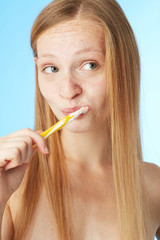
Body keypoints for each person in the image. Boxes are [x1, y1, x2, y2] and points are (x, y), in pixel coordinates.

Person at [0, 0, 160, 239]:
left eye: (89, 65)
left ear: (123, 67)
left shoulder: (153, 186)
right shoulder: (12, 187)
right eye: (51, 68)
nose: (68, 90)